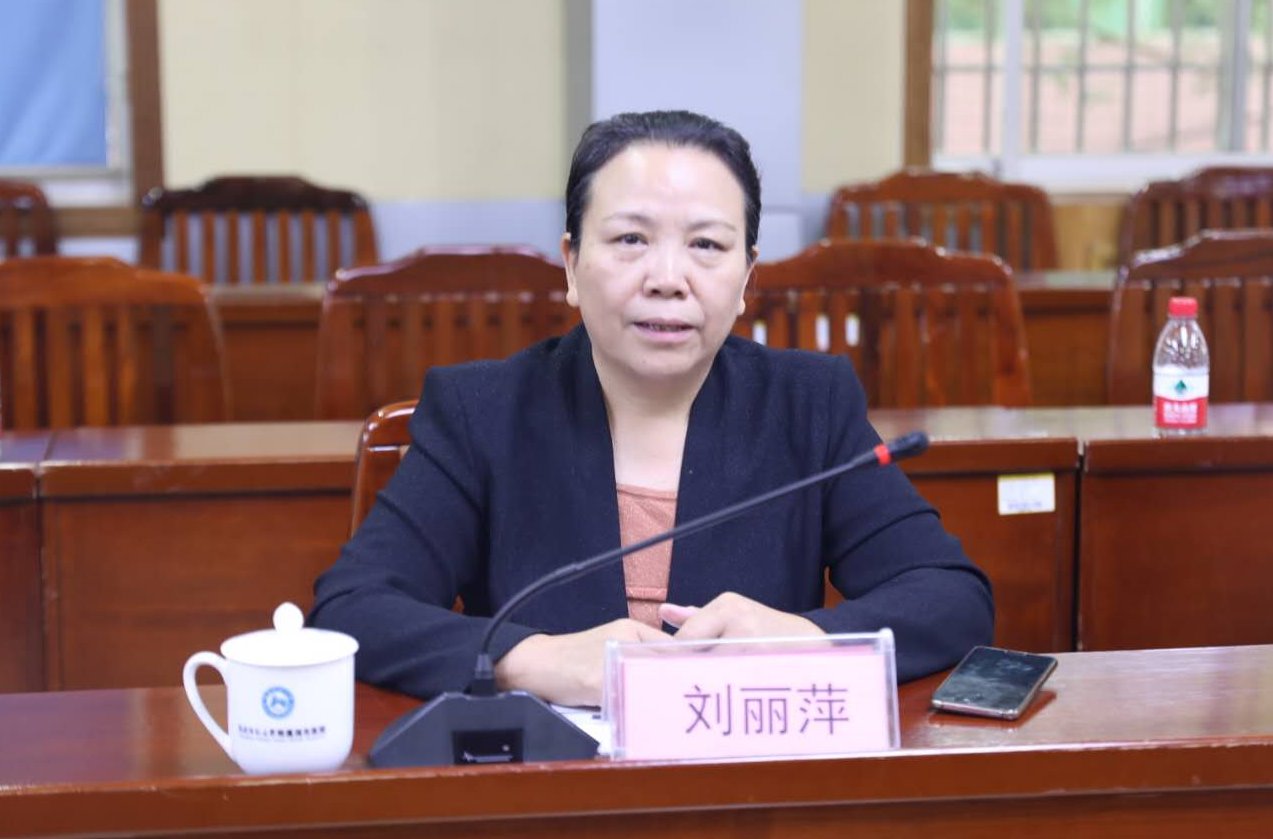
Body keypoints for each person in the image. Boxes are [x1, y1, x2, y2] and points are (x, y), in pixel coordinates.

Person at [311, 110, 994, 707]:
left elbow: (951, 596)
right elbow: (352, 608)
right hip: (551, 787)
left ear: (747, 277)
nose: (668, 279)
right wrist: (529, 659)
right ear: (571, 265)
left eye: (706, 245)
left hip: (748, 782)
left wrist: (807, 639)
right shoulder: (482, 412)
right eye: (630, 240)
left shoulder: (807, 404)